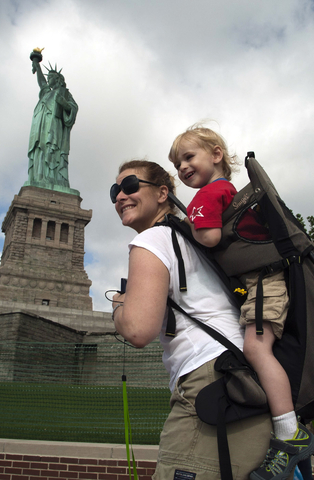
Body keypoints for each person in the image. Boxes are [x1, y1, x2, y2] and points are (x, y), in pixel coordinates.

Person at [169, 125, 314, 480]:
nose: (183, 168)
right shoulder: (228, 190)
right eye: (177, 165)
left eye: (189, 157)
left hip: (262, 283)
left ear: (216, 154)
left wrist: (183, 224)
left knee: (256, 349)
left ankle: (289, 433)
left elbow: (209, 236)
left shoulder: (206, 196)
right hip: (265, 282)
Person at [110, 160, 272, 480]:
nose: (119, 197)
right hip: (246, 372)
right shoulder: (191, 237)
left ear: (161, 193)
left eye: (130, 186)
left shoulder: (151, 241)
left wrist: (119, 305)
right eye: (115, 191)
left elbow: (139, 330)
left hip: (209, 379)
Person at [27, 51, 78, 188]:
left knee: (52, 149)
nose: (48, 79)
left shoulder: (64, 93)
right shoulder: (47, 92)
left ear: (58, 79)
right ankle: (39, 177)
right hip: (41, 124)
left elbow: (73, 107)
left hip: (54, 125)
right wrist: (37, 66)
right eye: (48, 77)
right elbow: (42, 83)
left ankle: (54, 179)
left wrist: (64, 103)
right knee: (40, 150)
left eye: (51, 77)